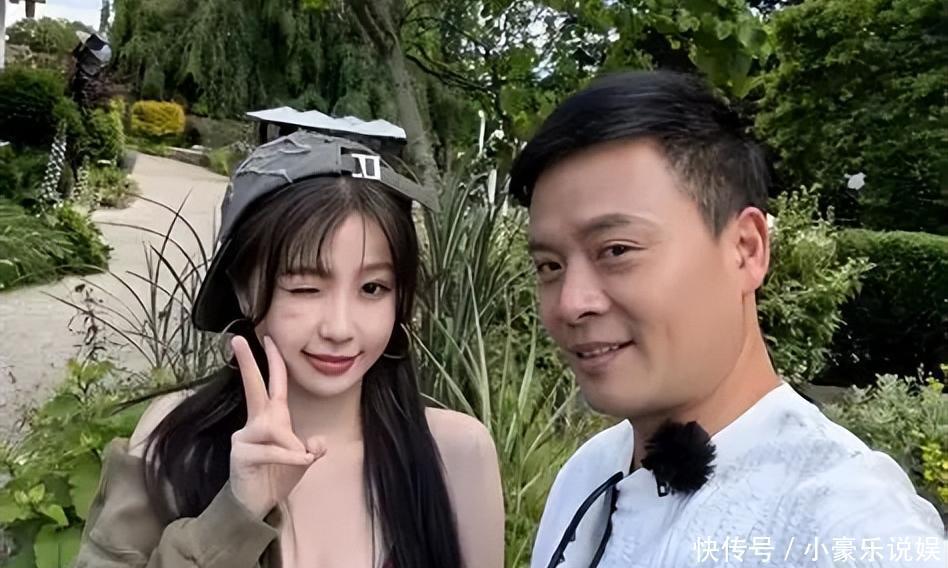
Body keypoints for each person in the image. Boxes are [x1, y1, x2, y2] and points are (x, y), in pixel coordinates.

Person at [508, 70, 946, 567]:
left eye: (616, 250)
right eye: (550, 266)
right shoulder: (586, 472)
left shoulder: (849, 523)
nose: (571, 302)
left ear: (746, 249)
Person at [74, 131, 505, 568]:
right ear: (243, 289)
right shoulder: (174, 440)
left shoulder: (456, 454)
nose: (340, 328)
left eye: (373, 288)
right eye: (305, 287)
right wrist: (235, 513)